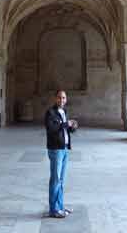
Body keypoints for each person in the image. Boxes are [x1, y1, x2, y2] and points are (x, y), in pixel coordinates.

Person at [44, 89, 78, 218]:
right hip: (55, 150)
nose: (62, 100)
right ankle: (53, 210)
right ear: (55, 99)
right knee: (55, 180)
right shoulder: (50, 112)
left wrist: (72, 127)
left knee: (61, 180)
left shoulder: (64, 112)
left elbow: (64, 130)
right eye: (59, 98)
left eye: (64, 98)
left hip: (64, 149)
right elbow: (51, 129)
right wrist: (65, 124)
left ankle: (60, 206)